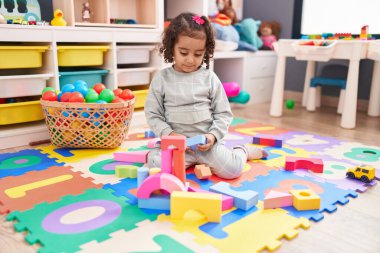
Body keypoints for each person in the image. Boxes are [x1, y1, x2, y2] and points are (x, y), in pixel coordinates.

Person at [144, 12, 267, 179]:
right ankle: (184, 158)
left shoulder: (209, 78)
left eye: (197, 54)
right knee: (155, 164)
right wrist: (170, 135)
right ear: (172, 46)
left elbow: (223, 113)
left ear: (206, 51)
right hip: (176, 146)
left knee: (233, 170)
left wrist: (213, 136)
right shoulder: (162, 79)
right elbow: (153, 114)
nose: (190, 60)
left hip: (207, 147)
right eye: (183, 52)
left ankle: (242, 151)